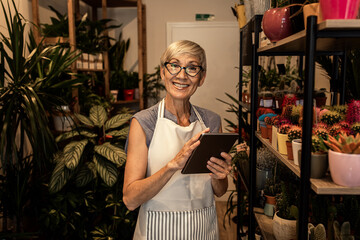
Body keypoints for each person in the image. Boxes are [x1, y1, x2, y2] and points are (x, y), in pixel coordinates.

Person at [123, 40, 233, 239]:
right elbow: (130, 199)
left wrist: (220, 176)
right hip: (156, 231)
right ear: (162, 72)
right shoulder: (143, 123)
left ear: (201, 77)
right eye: (174, 65)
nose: (182, 75)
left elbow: (220, 191)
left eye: (192, 68)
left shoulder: (211, 121)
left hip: (203, 230)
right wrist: (173, 165)